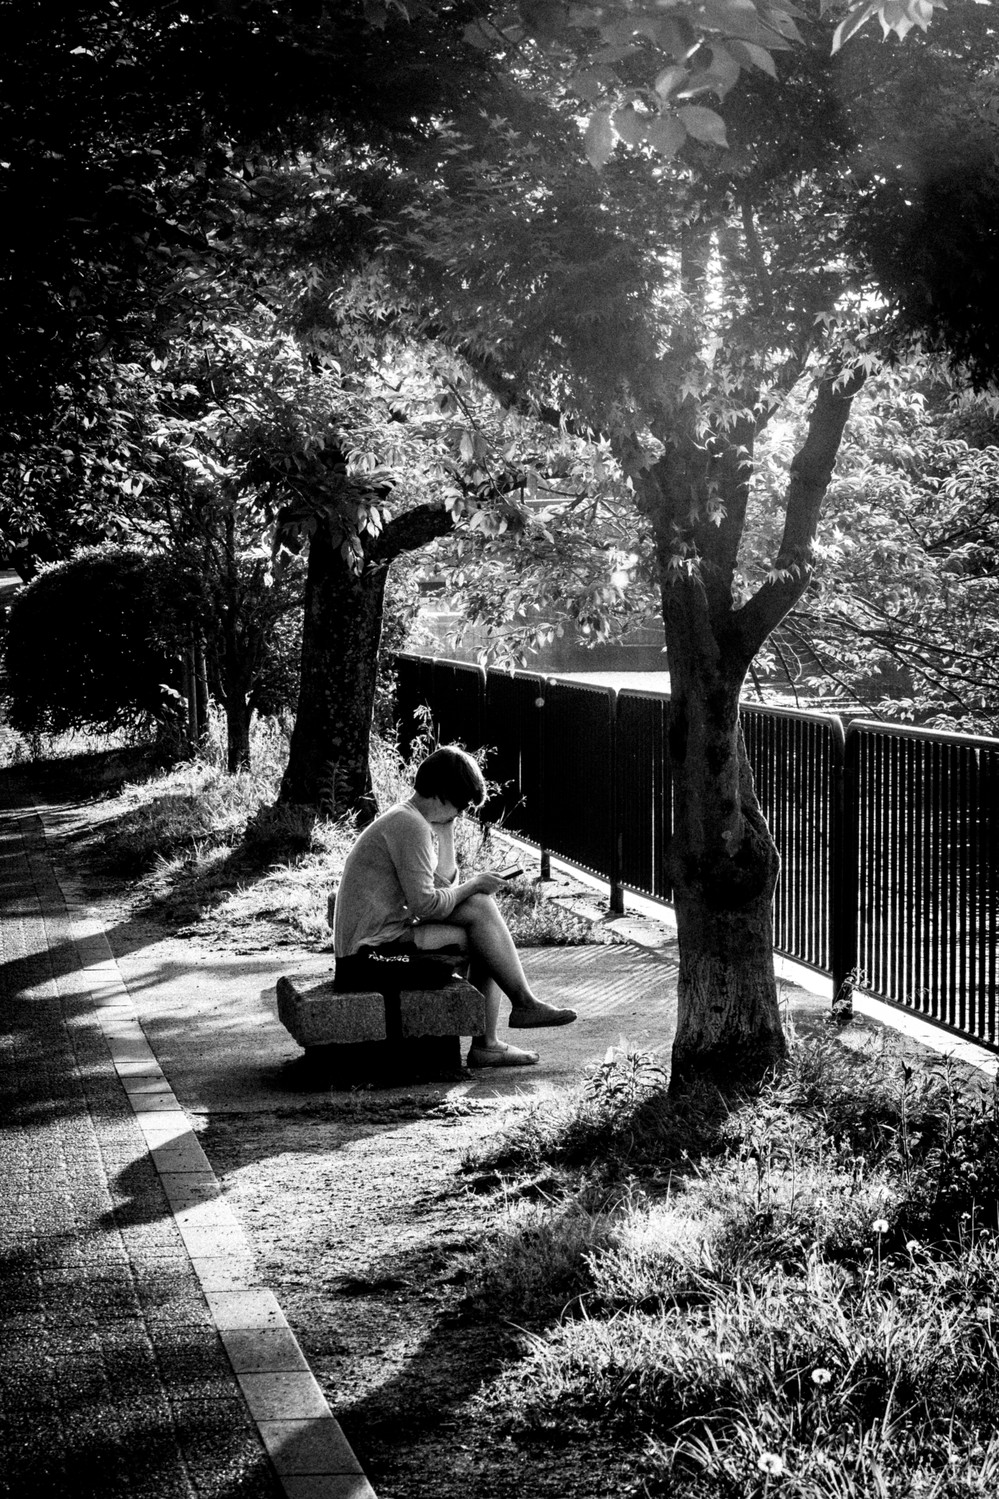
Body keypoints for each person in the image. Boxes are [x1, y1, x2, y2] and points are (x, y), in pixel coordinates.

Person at [332, 745, 576, 1068]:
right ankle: (505, 1023)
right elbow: (428, 905)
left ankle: (506, 1023)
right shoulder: (411, 826)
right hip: (366, 956)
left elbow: (442, 889)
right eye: (461, 806)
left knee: (479, 909)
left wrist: (447, 837)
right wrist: (473, 884)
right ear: (443, 794)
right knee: (480, 930)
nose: (461, 814)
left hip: (381, 941)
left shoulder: (411, 819)